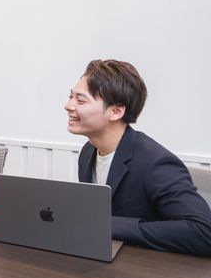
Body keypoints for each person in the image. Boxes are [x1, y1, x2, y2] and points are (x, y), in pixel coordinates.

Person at [65, 59, 211, 256]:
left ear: (116, 111)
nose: (68, 105)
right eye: (70, 97)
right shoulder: (88, 151)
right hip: (107, 260)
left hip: (152, 268)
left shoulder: (156, 163)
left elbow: (203, 231)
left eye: (81, 101)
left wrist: (107, 224)